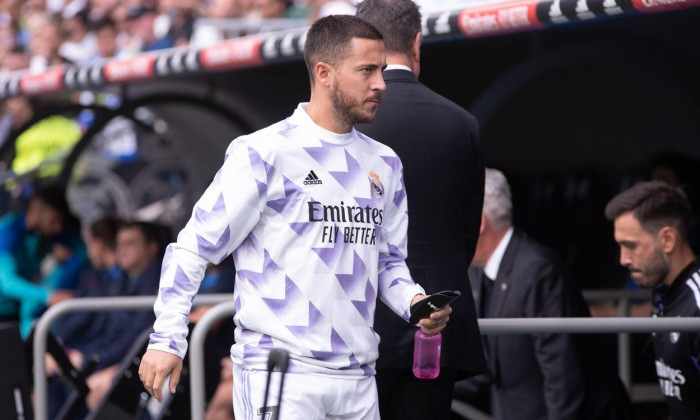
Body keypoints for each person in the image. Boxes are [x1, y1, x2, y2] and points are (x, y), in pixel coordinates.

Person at [139, 15, 451, 420]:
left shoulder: (385, 162)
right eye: (367, 71)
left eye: (382, 71)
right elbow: (193, 248)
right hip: (281, 374)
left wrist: (417, 302)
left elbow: (388, 263)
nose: (381, 84)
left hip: (359, 378)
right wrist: (167, 339)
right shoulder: (263, 151)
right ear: (324, 73)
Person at [355, 1, 485, 418]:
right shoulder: (462, 121)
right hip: (439, 325)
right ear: (416, 43)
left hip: (362, 324)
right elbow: (469, 229)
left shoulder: (350, 122)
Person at [459, 168, 632, 420]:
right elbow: (485, 369)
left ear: (479, 221)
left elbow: (563, 379)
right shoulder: (489, 271)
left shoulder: (536, 271)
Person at [605, 180, 700, 419]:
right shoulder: (663, 291)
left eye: (631, 246)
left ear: (667, 240)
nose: (623, 259)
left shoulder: (697, 303)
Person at [0, 184, 76, 324]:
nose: (58, 228)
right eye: (54, 220)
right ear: (36, 211)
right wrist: (48, 297)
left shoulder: (43, 236)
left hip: (18, 314)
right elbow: (7, 283)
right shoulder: (8, 231)